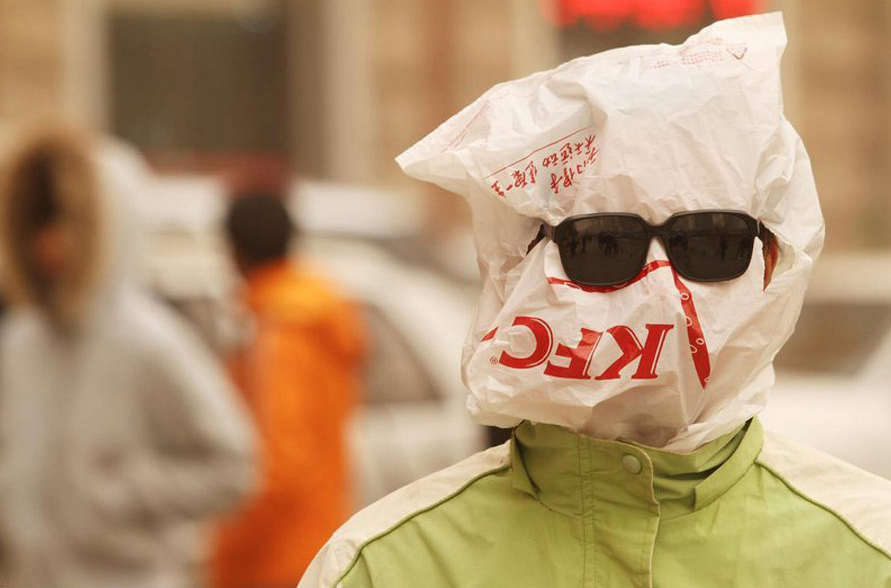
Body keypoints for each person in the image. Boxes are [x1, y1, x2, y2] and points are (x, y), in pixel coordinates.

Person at [300, 13, 891, 587]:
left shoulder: (867, 554)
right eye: (603, 244)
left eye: (711, 242)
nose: (661, 287)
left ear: (772, 261)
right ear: (519, 268)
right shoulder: (387, 567)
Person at [0, 125, 257, 588]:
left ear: (102, 226)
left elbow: (232, 466)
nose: (48, 245)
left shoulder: (148, 343)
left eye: (63, 223)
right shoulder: (22, 343)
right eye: (36, 223)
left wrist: (121, 494)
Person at [211, 190, 365, 588]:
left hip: (274, 561)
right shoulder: (306, 314)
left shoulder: (282, 330)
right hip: (314, 541)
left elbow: (281, 463)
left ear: (234, 251)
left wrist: (229, 546)